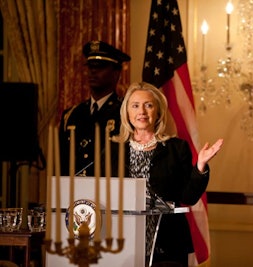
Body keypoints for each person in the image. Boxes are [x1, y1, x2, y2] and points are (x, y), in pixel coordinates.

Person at [112, 82, 223, 266]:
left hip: (168, 244)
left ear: (158, 112)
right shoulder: (112, 151)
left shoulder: (176, 148)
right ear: (127, 112)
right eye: (135, 105)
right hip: (122, 244)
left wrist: (200, 166)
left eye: (148, 105)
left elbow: (188, 196)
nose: (142, 111)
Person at [59, 40, 131, 176]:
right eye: (90, 66)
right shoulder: (71, 115)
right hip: (74, 192)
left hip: (110, 192)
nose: (93, 71)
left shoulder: (125, 113)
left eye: (100, 66)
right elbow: (62, 164)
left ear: (116, 73)